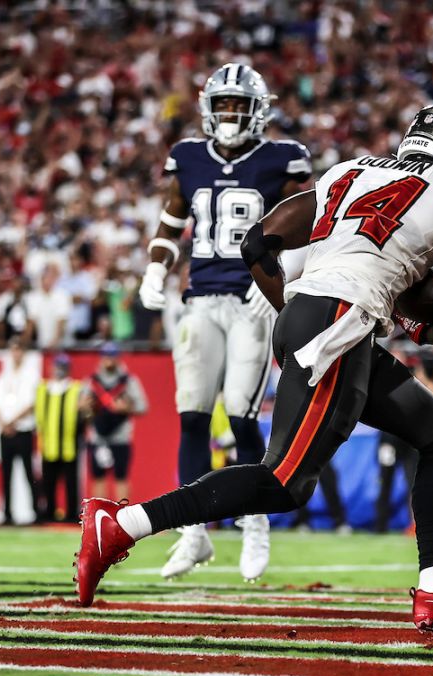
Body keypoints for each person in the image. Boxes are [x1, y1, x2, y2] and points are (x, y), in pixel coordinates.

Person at [76, 103, 433, 639]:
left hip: (317, 318)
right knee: (282, 482)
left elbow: (258, 242)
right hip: (336, 324)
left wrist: (298, 311)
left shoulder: (352, 171)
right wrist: (420, 316)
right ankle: (121, 524)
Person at [135, 64, 312, 582]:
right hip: (200, 300)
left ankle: (255, 526)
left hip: (248, 299)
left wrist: (279, 276)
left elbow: (312, 223)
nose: (231, 114)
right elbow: (172, 220)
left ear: (258, 110)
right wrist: (154, 267)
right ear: (209, 107)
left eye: (240, 105)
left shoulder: (282, 158)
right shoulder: (188, 156)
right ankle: (194, 535)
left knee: (240, 415)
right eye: (224, 104)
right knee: (191, 415)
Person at [81, 343, 148, 499]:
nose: (108, 360)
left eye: (112, 356)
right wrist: (84, 406)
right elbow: (81, 407)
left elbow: (143, 406)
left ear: (118, 358)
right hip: (98, 436)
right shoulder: (91, 381)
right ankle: (98, 516)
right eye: (105, 356)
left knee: (121, 477)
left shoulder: (128, 381)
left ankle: (122, 517)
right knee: (98, 477)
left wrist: (125, 408)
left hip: (120, 436)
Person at [0, 338, 40, 525]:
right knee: (6, 474)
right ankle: (7, 513)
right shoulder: (3, 377)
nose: (16, 354)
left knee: (29, 472)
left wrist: (12, 422)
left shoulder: (31, 376)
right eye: (14, 350)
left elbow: (33, 404)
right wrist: (3, 424)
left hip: (23, 430)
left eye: (19, 350)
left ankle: (36, 511)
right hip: (5, 432)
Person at [36, 355, 85, 523]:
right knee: (48, 482)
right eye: (57, 366)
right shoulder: (43, 388)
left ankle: (72, 514)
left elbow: (84, 412)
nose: (59, 370)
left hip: (69, 443)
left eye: (63, 367)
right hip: (49, 443)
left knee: (71, 483)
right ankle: (49, 513)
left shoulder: (75, 388)